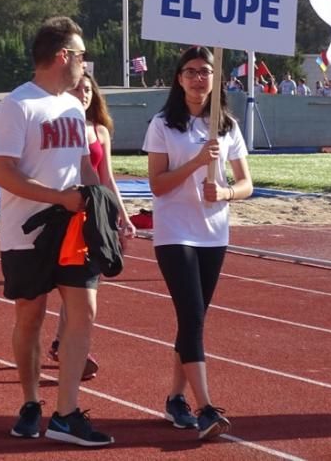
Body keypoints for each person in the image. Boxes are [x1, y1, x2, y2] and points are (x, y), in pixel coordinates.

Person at [0, 16, 111, 447]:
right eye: (80, 56)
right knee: (31, 315)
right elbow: (2, 173)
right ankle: (29, 401)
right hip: (26, 231)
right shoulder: (17, 106)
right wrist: (58, 198)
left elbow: (84, 166)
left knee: (84, 311)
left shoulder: (75, 107)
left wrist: (102, 211)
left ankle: (66, 412)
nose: (84, 65)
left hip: (73, 230)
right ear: (63, 56)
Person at [142, 45, 253, 441]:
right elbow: (156, 184)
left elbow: (246, 183)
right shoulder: (162, 124)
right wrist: (194, 163)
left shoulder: (226, 126)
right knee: (191, 318)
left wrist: (224, 194)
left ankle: (175, 397)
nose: (197, 78)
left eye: (205, 71)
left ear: (215, 78)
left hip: (213, 233)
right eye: (190, 71)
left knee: (194, 321)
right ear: (179, 78)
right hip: (175, 232)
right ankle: (205, 407)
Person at [48, 71, 136, 378]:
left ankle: (64, 342)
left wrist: (122, 216)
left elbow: (107, 177)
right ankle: (66, 343)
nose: (83, 94)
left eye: (87, 89)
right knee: (72, 285)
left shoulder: (100, 131)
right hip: (66, 211)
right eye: (77, 88)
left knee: (85, 284)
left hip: (96, 215)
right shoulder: (60, 128)